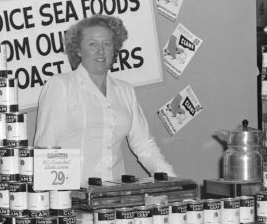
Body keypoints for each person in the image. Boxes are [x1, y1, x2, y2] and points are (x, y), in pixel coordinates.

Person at [34, 15, 175, 182]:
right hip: (70, 199)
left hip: (113, 198)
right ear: (78, 49)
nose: (101, 51)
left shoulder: (125, 91)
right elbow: (45, 149)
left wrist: (173, 180)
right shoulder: (60, 86)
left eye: (107, 44)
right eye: (93, 44)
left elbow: (144, 145)